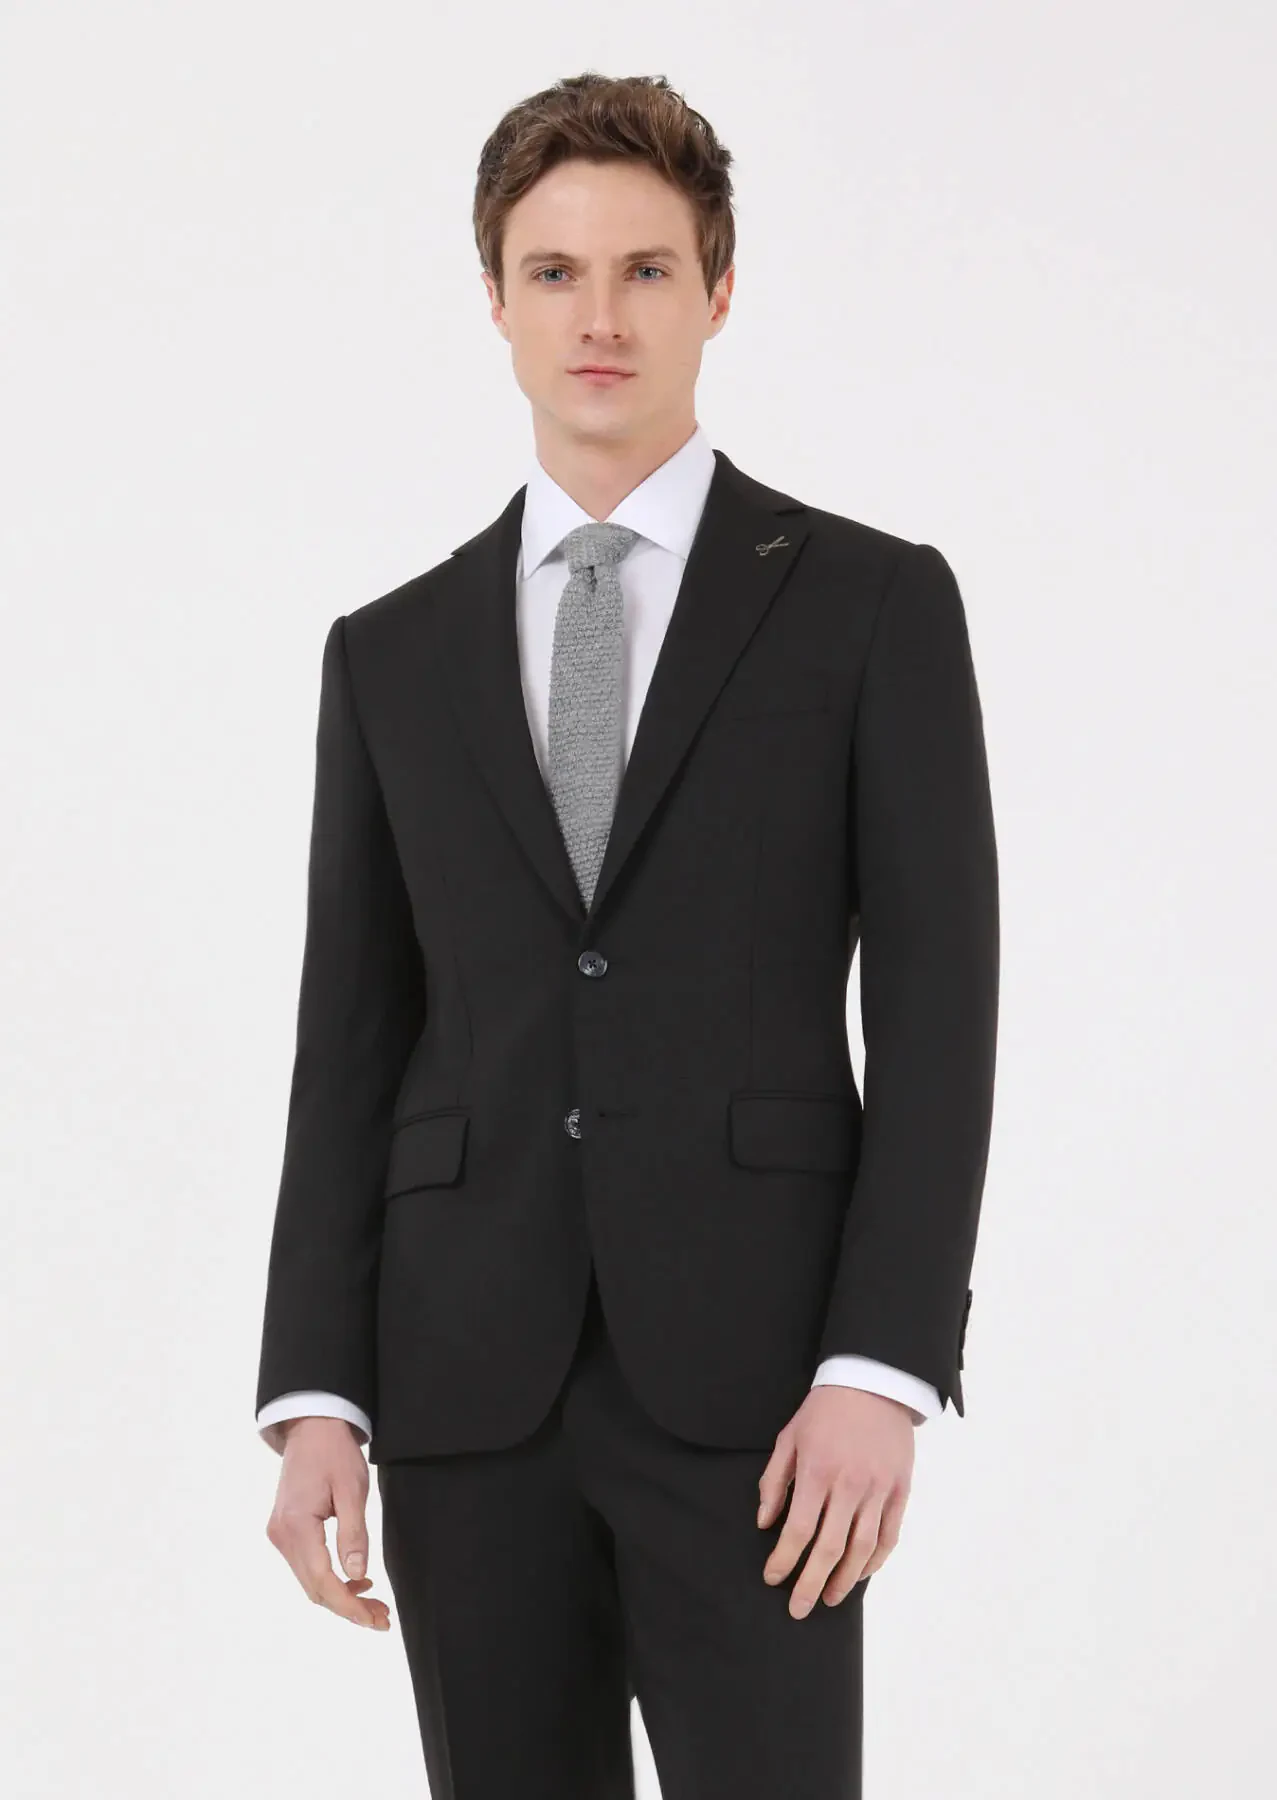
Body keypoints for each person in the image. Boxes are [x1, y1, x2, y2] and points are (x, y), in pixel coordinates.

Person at [254, 69, 999, 1799]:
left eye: (647, 270)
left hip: (765, 1397)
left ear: (718, 291)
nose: (600, 318)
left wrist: (881, 1366)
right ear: (496, 301)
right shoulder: (391, 652)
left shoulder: (872, 604)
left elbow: (943, 1012)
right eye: (557, 273)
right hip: (463, 1388)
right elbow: (349, 1041)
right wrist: (316, 1392)